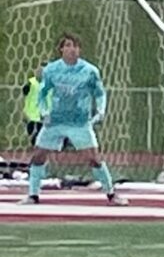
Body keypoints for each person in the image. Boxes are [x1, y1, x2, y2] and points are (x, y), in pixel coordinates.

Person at [22, 35, 122, 205]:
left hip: (79, 122)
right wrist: (44, 112)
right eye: (68, 45)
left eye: (76, 45)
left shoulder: (89, 70)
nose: (73, 49)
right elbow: (43, 93)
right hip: (55, 121)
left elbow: (99, 93)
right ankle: (33, 195)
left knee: (93, 158)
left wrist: (101, 110)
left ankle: (111, 194)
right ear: (61, 49)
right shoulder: (51, 70)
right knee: (38, 155)